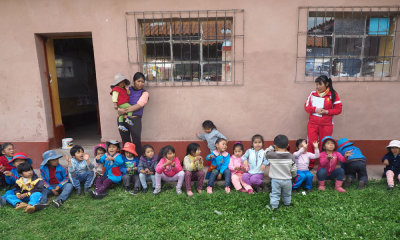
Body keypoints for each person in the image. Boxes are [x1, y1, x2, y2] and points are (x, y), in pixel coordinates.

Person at [304, 75, 342, 169]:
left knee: (324, 144)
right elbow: (306, 107)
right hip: (312, 124)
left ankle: (323, 164)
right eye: (316, 84)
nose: (317, 87)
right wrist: (315, 109)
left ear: (327, 84)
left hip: (326, 125)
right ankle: (310, 164)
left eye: (320, 84)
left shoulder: (333, 95)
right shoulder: (312, 94)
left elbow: (338, 110)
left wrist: (327, 111)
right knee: (311, 143)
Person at [118, 72, 149, 157]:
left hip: (135, 120)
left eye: (142, 82)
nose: (140, 83)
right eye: (138, 81)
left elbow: (138, 105)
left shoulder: (144, 93)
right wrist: (118, 109)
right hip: (122, 119)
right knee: (126, 142)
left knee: (136, 142)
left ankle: (139, 161)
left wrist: (122, 111)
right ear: (134, 81)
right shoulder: (127, 90)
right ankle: (126, 162)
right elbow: (119, 101)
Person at [265, 135, 296, 211]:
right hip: (287, 180)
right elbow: (294, 169)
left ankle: (274, 206)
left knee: (275, 194)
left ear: (275, 146)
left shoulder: (271, 155)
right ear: (288, 145)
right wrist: (293, 175)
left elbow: (265, 153)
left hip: (276, 180)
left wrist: (272, 147)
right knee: (287, 193)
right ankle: (287, 203)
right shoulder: (291, 156)